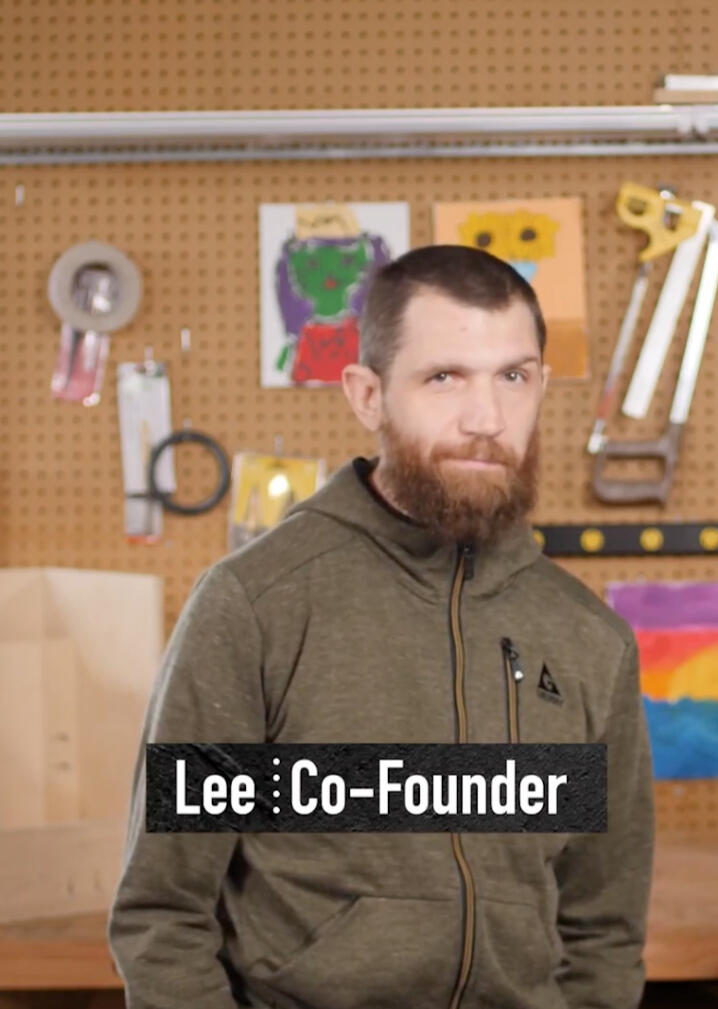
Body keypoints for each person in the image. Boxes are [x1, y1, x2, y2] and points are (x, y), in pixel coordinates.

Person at [109, 245, 654, 1009]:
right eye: (443, 377)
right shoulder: (257, 604)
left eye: (513, 376)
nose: (485, 419)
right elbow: (161, 914)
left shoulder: (589, 638)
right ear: (367, 396)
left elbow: (603, 926)